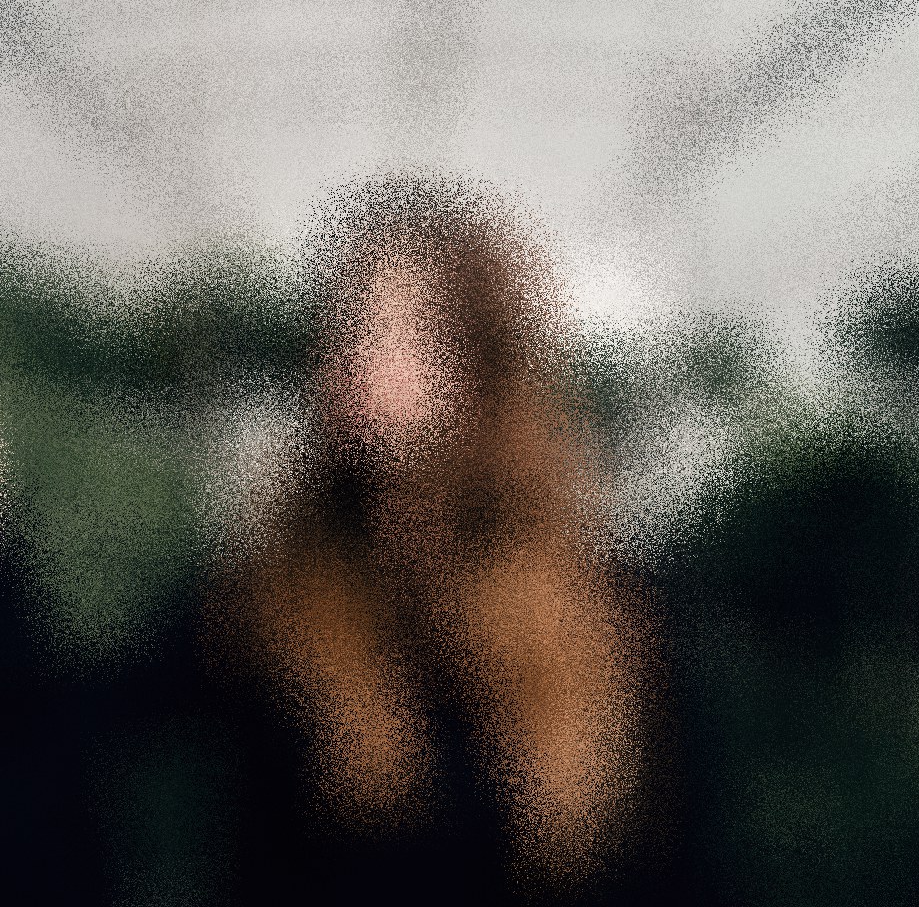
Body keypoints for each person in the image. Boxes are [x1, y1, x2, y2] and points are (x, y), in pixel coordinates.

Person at [208, 176, 655, 888]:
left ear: (479, 369)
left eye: (401, 335)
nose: (356, 359)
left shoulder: (600, 615)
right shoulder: (272, 599)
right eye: (346, 328)